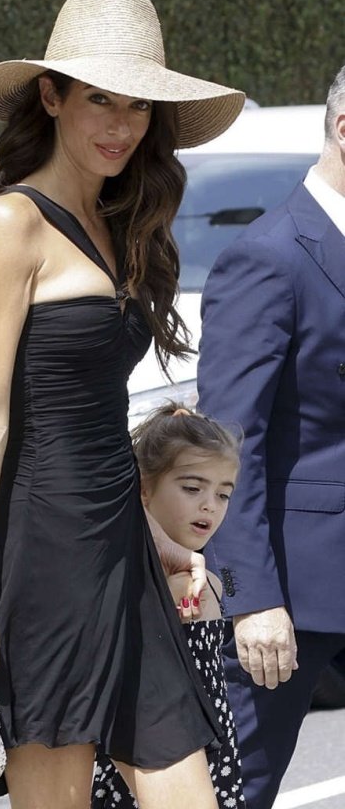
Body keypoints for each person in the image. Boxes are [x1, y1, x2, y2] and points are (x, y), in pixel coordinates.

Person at [0, 0, 244, 809]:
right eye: (98, 99)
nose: (120, 124)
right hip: (43, 554)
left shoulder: (117, 219)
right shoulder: (12, 223)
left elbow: (98, 412)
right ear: (51, 96)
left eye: (137, 105)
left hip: (117, 541)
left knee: (189, 793)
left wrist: (150, 530)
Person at [197, 64, 345, 808]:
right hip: (294, 591)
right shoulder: (268, 255)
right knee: (237, 788)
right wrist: (249, 597)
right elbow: (229, 441)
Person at [92, 403, 246, 809]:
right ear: (144, 488)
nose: (209, 505)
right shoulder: (138, 584)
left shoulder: (207, 579)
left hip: (210, 739)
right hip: (154, 749)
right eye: (192, 488)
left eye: (223, 493)